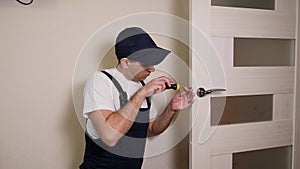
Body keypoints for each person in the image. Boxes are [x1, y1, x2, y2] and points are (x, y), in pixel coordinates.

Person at [79, 27, 195, 169]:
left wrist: (171, 109)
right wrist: (141, 94)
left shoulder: (141, 85)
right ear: (125, 62)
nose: (152, 69)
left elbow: (152, 128)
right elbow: (109, 137)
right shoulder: (100, 81)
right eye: (146, 64)